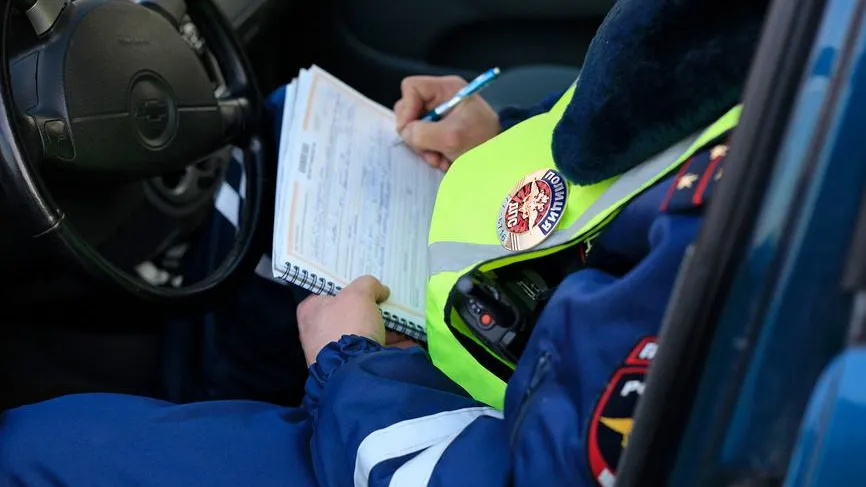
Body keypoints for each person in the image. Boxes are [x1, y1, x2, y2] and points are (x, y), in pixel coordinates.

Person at [0, 0, 770, 485]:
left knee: (29, 452)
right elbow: (650, 151)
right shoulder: (793, 43)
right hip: (486, 324)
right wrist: (501, 128)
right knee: (276, 143)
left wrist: (350, 370)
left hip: (446, 429)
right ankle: (188, 389)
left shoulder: (760, 222)